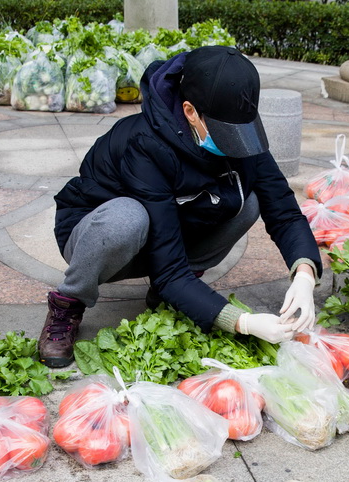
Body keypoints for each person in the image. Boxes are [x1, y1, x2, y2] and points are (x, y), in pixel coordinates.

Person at [41, 46, 321, 367]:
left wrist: (304, 274)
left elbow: (283, 209)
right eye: (225, 134)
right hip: (97, 235)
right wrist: (241, 321)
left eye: (239, 133)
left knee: (250, 200)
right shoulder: (145, 144)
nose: (235, 145)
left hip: (165, 228)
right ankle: (68, 303)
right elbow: (168, 268)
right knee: (128, 220)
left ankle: (173, 296)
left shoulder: (239, 130)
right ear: (190, 112)